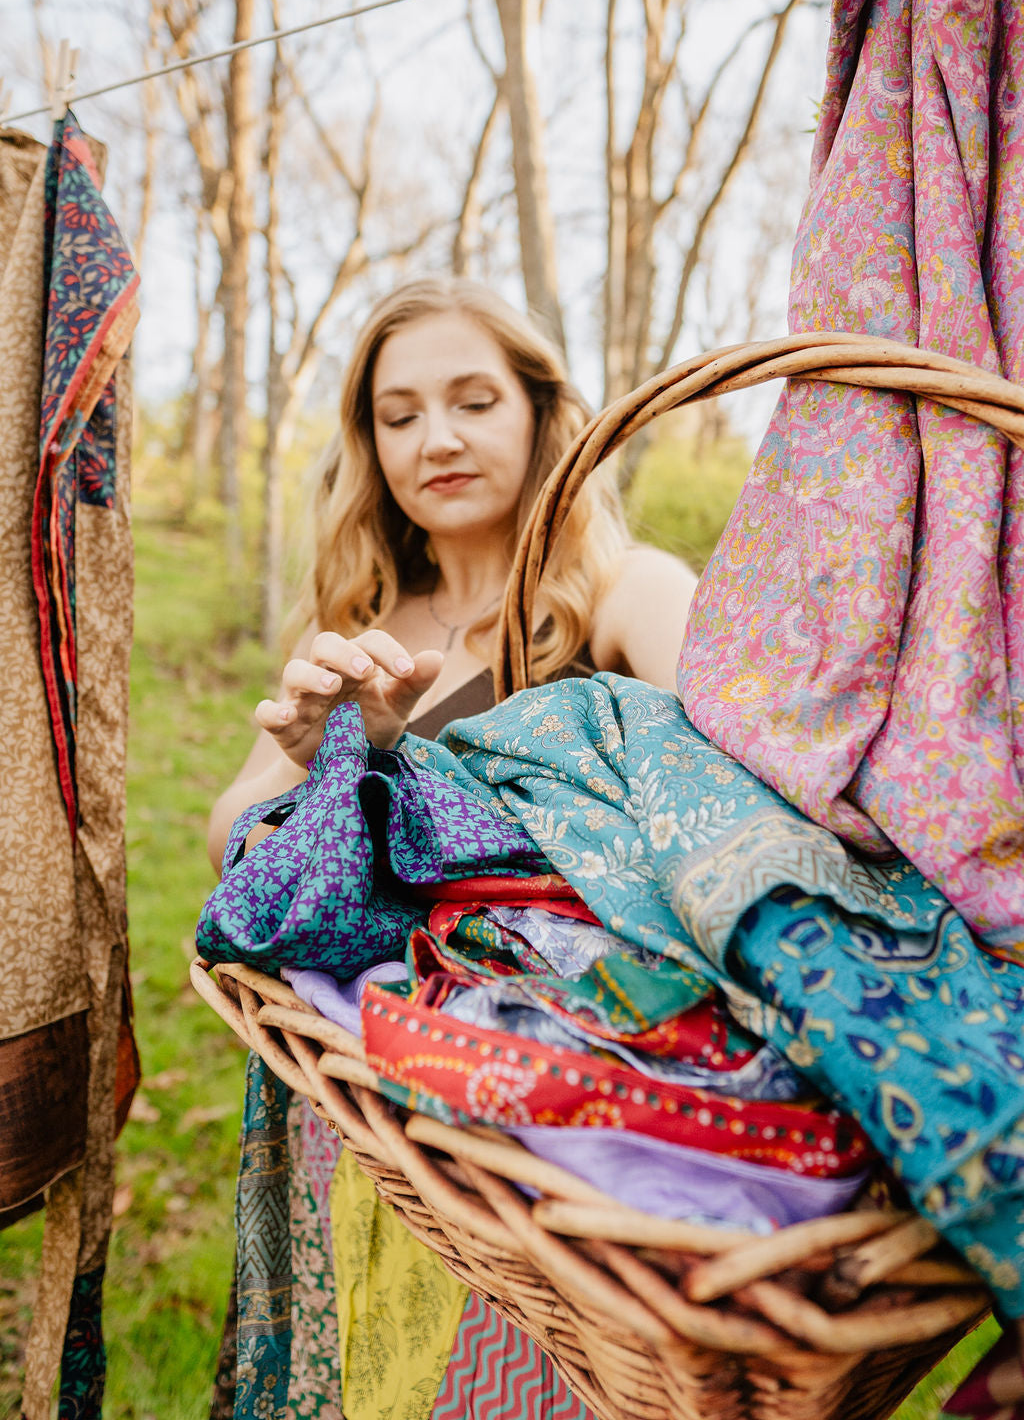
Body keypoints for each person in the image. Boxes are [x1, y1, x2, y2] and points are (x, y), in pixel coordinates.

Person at [207, 277, 698, 1419]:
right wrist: (320, 754)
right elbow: (233, 845)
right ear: (369, 443)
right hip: (379, 1103)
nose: (436, 439)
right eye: (399, 414)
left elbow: (749, 787)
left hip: (561, 1122)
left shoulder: (625, 594)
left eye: (474, 401)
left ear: (539, 413)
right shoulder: (363, 619)